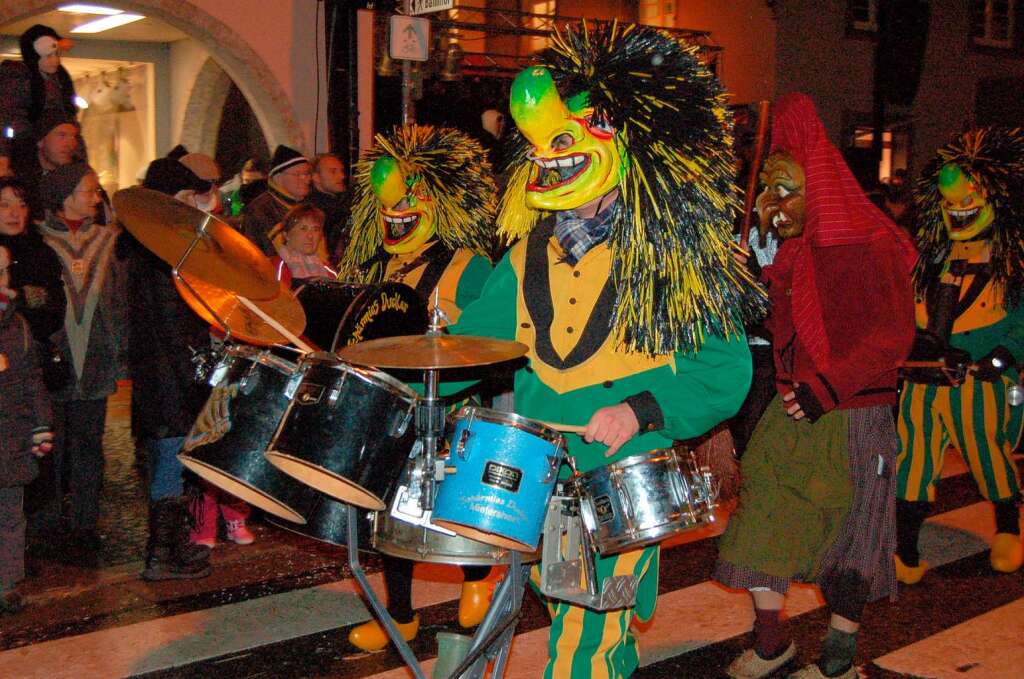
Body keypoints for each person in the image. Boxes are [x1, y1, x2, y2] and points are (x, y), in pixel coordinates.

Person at [450, 24, 764, 678]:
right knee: (590, 625)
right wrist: (410, 360)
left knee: (582, 642)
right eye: (538, 147)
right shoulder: (523, 256)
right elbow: (467, 351)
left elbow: (725, 372)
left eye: (564, 138)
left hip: (622, 477)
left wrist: (639, 409)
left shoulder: (674, 259)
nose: (549, 157)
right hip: (534, 476)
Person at [713, 93, 917, 679]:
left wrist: (827, 387)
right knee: (762, 518)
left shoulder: (870, 245)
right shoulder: (789, 256)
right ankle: (772, 643)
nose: (770, 204)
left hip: (854, 413)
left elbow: (892, 336)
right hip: (792, 405)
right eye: (766, 192)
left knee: (854, 533)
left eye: (784, 191)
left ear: (818, 189)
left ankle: (838, 660)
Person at [341, 124, 499, 652]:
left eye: (410, 200)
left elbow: (495, 342)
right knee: (390, 515)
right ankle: (401, 614)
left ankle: (478, 580)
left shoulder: (471, 268)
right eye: (387, 203)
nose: (396, 213)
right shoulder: (372, 267)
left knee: (457, 502)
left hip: (454, 410)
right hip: (389, 412)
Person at [894, 127, 1024, 583]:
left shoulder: (1012, 263)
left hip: (976, 382)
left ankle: (1008, 527)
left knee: (988, 453)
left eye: (969, 199)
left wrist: (1003, 357)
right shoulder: (929, 259)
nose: (959, 209)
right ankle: (904, 549)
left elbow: (1022, 320)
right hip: (923, 380)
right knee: (913, 460)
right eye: (949, 202)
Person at [124, 152, 224, 580]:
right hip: (168, 378)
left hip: (166, 376)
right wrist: (193, 375)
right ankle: (162, 553)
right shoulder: (157, 253)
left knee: (174, 461)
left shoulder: (155, 245)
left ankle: (169, 548)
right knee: (170, 462)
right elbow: (170, 325)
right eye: (186, 194)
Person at [34, 162, 125, 557]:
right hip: (53, 364)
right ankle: (49, 523)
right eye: (89, 190)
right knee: (52, 446)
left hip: (97, 361)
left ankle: (85, 524)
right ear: (65, 196)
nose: (96, 197)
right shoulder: (37, 242)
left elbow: (119, 303)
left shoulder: (108, 241)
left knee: (90, 446)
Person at [0, 244, 54, 614]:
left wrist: (41, 422)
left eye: (3, 272)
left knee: (9, 513)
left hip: (12, 435)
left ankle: (5, 582)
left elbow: (32, 377)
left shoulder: (16, 325)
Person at [0, 24, 80, 171]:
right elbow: (5, 116)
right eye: (49, 56)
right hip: (24, 149)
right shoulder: (17, 77)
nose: (55, 61)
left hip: (54, 150)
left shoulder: (61, 79)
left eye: (57, 55)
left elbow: (69, 117)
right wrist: (3, 154)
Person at [240, 145, 311, 255]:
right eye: (298, 174)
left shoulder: (308, 206)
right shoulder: (260, 210)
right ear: (278, 177)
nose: (306, 180)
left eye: (307, 174)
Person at [269, 203, 336, 287]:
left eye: (316, 229)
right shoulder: (276, 267)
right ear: (286, 235)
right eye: (303, 229)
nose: (310, 236)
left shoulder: (329, 271)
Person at [307, 153, 350, 259]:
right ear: (316, 177)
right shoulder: (313, 210)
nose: (342, 176)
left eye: (341, 171)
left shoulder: (342, 201)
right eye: (333, 172)